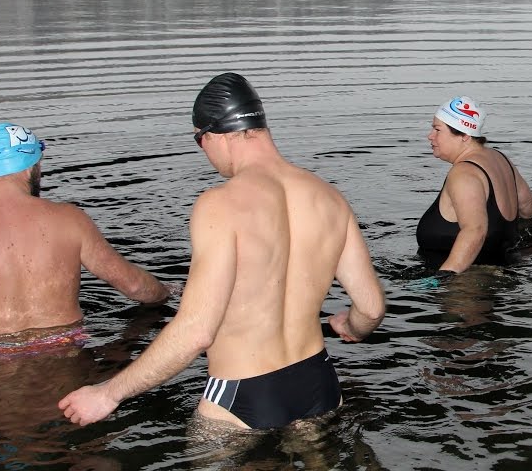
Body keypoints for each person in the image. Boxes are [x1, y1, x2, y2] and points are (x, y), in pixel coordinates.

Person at [59, 73, 385, 429]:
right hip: (318, 382)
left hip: (242, 393)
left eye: (200, 142)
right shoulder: (329, 197)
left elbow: (197, 330)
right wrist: (349, 324)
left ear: (214, 135)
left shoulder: (220, 204)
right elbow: (370, 307)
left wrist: (108, 393)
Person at [0, 123, 169, 351]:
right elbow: (135, 287)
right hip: (65, 347)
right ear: (30, 166)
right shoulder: (70, 219)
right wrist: (165, 291)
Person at [417, 96, 532, 273]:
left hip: (468, 281)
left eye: (437, 129)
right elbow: (527, 204)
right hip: (506, 267)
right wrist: (523, 243)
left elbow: (475, 230)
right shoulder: (499, 158)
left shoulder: (464, 173)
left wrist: (442, 278)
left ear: (464, 136)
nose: (430, 136)